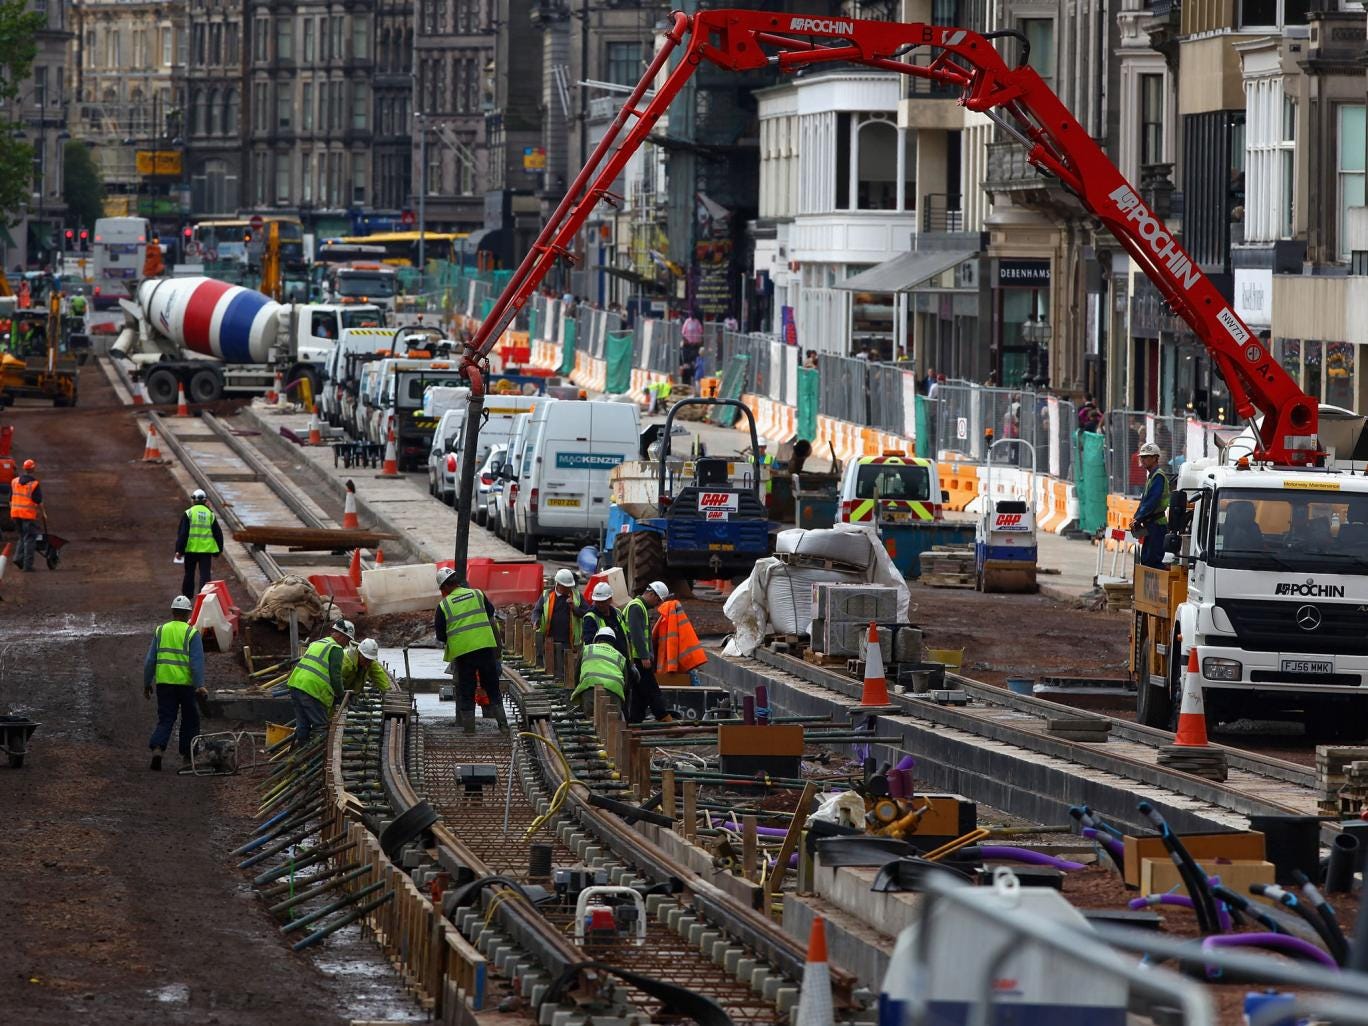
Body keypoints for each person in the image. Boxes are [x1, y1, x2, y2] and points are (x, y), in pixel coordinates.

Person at [435, 567, 507, 734]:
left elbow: (440, 635)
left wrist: (459, 637)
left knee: (466, 690)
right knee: (492, 687)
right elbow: (490, 613)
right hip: (485, 647)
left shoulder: (444, 605)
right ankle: (503, 726)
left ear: (444, 587)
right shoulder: (477, 594)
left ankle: (469, 729)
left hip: (463, 653)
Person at [143, 595, 208, 770]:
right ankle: (188, 756)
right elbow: (196, 663)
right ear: (188, 613)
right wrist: (200, 684)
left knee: (166, 718)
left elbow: (150, 660)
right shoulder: (191, 633)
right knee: (190, 718)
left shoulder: (161, 630)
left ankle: (158, 748)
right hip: (186, 685)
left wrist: (147, 682)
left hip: (164, 684)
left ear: (172, 612)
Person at [286, 619, 352, 748]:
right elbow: (336, 676)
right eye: (347, 640)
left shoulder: (317, 643)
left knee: (303, 724)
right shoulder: (336, 649)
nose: (347, 644)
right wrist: (340, 695)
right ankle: (315, 755)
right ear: (342, 635)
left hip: (296, 685)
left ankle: (302, 753)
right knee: (320, 726)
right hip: (311, 690)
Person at [624, 582, 672, 723]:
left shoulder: (640, 607)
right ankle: (665, 720)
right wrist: (645, 656)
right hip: (637, 659)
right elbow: (636, 634)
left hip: (638, 658)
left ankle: (634, 722)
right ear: (651, 594)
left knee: (640, 695)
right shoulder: (636, 607)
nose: (657, 604)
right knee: (652, 690)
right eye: (657, 600)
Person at [176, 488, 224, 599]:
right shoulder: (210, 514)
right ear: (205, 501)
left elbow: (183, 534)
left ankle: (186, 598)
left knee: (189, 574)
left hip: (191, 550)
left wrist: (179, 550)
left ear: (193, 500)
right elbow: (218, 534)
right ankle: (204, 599)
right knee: (205, 575)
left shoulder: (189, 513)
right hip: (205, 551)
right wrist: (219, 550)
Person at [533, 568, 584, 670]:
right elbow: (537, 611)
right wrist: (536, 620)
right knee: (551, 669)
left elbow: (587, 613)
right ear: (558, 585)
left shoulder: (577, 596)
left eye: (570, 586)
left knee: (566, 671)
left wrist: (574, 608)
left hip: (569, 643)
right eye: (567, 587)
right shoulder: (547, 595)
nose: (569, 589)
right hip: (549, 640)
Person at [572, 626, 628, 716]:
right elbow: (625, 684)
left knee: (592, 723)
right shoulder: (620, 657)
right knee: (612, 725)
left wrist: (578, 693)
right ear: (613, 642)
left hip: (590, 693)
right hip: (614, 695)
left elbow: (577, 675)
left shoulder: (587, 649)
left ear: (597, 640)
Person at [652, 585, 707, 677]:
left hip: (673, 666)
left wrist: (671, 667)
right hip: (685, 662)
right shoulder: (673, 613)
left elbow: (671, 643)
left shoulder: (667, 615)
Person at [1131, 442, 1171, 569]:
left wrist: (1139, 518)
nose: (1142, 459)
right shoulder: (1151, 476)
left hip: (1157, 525)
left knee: (1153, 561)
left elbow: (1151, 502)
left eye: (1146, 456)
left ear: (1155, 458)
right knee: (1147, 560)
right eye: (1142, 457)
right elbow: (1144, 501)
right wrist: (1136, 517)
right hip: (1151, 524)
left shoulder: (1158, 476)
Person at [8, 458, 45, 572]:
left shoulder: (14, 482)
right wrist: (43, 513)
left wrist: (13, 510)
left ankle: (18, 558)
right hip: (27, 515)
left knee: (22, 536)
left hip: (16, 513)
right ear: (33, 469)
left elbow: (10, 499)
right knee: (30, 539)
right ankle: (27, 566)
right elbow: (39, 501)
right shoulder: (34, 484)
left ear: (23, 468)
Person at [582, 581, 631, 662]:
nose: (600, 604)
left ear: (610, 599)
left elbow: (626, 636)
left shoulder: (618, 613)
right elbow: (589, 645)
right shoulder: (590, 618)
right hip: (606, 662)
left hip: (623, 659)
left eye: (603, 601)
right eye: (597, 602)